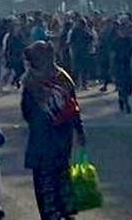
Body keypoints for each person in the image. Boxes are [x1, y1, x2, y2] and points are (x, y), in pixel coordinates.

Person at [21, 40, 86, 220]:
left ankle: (51, 214)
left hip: (41, 141)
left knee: (44, 182)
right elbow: (74, 108)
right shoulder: (63, 78)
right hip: (62, 138)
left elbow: (26, 112)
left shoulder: (31, 81)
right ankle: (64, 211)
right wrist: (79, 132)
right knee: (61, 175)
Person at [112, 17, 132, 114]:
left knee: (128, 87)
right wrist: (112, 68)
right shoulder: (115, 41)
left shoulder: (130, 41)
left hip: (128, 66)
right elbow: (112, 56)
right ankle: (125, 104)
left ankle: (123, 101)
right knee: (122, 86)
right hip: (119, 66)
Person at [68, 18, 93, 91]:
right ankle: (80, 85)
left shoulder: (77, 31)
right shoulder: (80, 31)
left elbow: (90, 38)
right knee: (80, 69)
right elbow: (90, 38)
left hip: (80, 52)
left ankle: (80, 85)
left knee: (80, 69)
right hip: (81, 52)